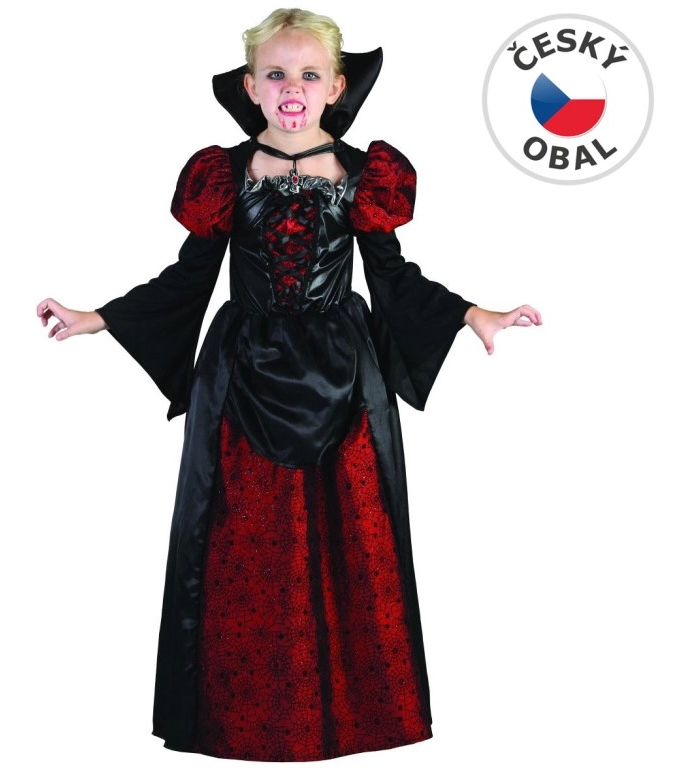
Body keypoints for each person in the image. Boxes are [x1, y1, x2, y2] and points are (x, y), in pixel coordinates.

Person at [37, 7, 541, 762]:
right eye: (276, 74)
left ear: (336, 86)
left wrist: (474, 314)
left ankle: (353, 716)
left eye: (309, 74)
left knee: (353, 540)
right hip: (242, 380)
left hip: (345, 384)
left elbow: (394, 277)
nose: (292, 87)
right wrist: (97, 318)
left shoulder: (364, 176)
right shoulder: (224, 175)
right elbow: (187, 279)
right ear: (251, 86)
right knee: (242, 544)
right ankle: (240, 718)